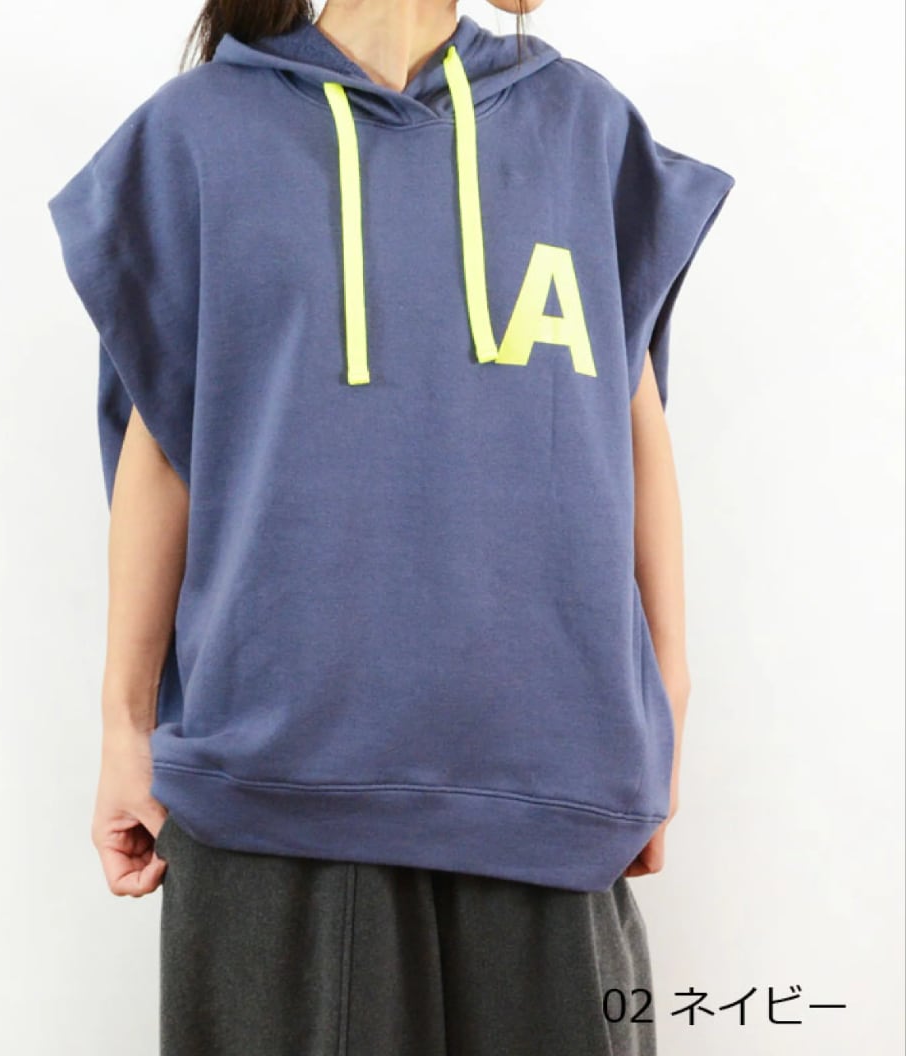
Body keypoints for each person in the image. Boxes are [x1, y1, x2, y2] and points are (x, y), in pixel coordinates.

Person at [47, 1, 735, 1052]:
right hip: (271, 799)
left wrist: (669, 697)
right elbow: (165, 446)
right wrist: (122, 725)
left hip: (548, 793)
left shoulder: (584, 129)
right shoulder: (196, 136)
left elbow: (634, 424)